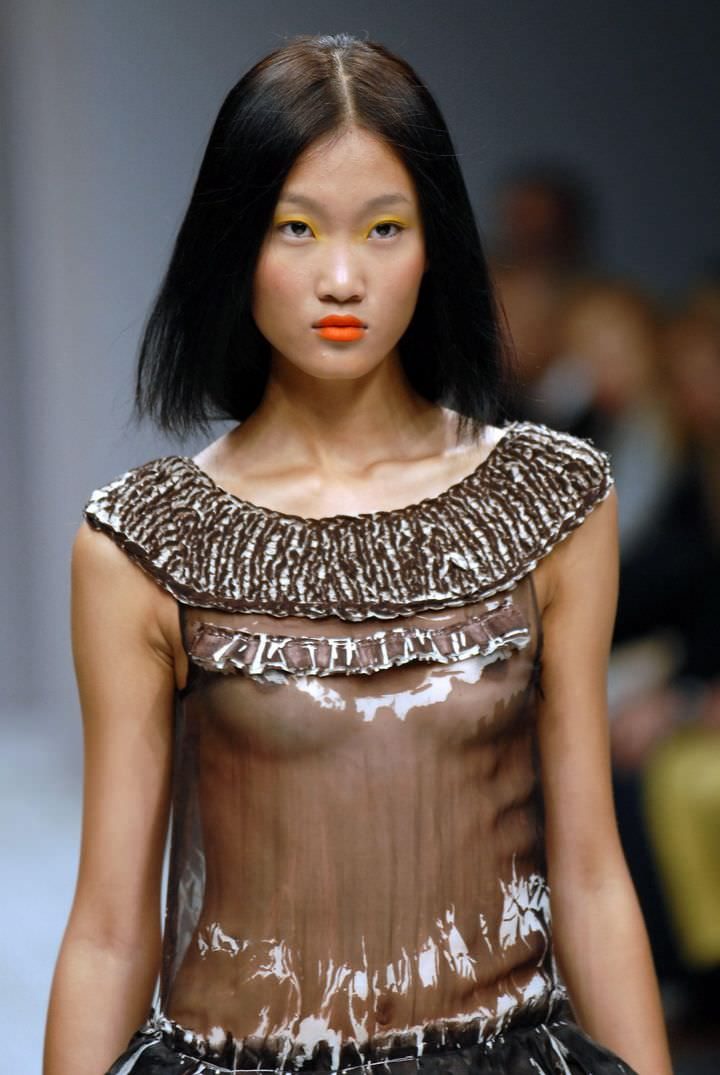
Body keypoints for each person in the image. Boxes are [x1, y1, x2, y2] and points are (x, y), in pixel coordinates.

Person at [42, 33, 673, 1075]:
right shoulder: (144, 543)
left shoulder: (552, 504)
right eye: (295, 228)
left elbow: (592, 874)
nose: (342, 278)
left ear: (436, 246)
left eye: (385, 228)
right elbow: (111, 926)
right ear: (233, 243)